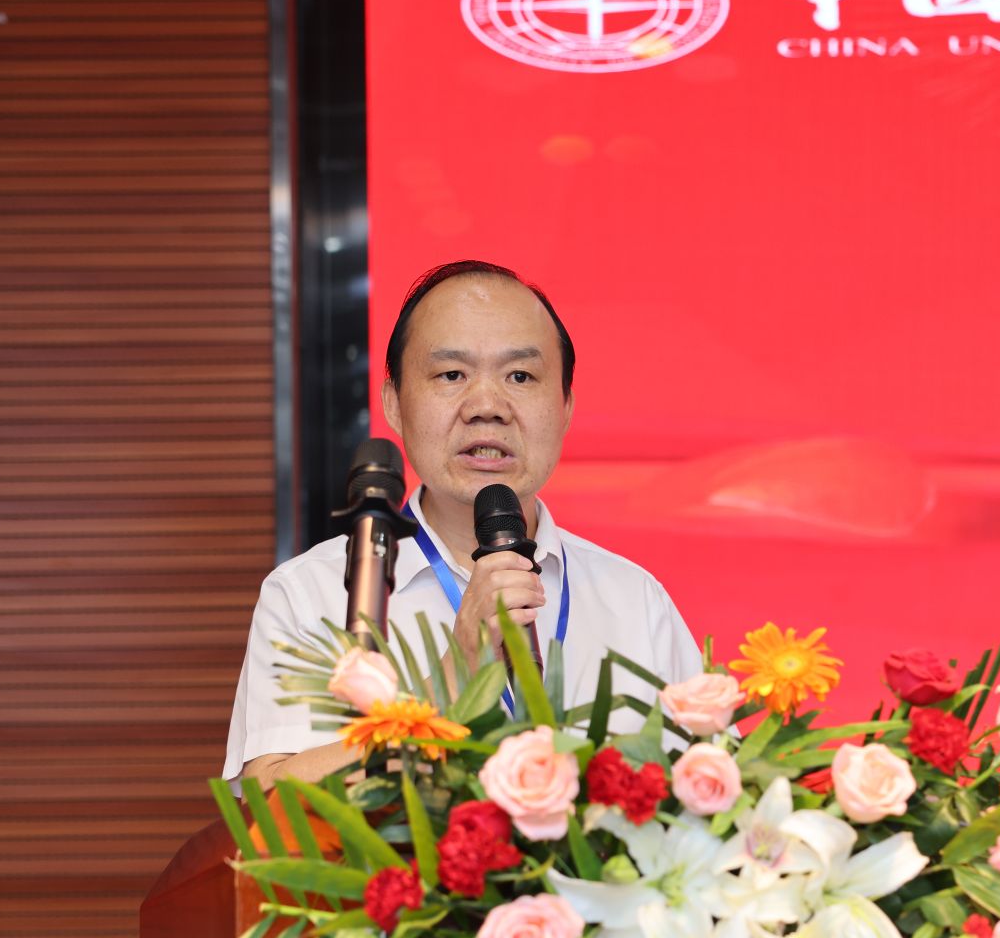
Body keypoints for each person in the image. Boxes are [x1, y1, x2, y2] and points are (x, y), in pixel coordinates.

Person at [224, 260, 703, 786]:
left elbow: (715, 794)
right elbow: (265, 803)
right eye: (452, 375)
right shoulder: (311, 594)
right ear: (393, 403)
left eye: (520, 376)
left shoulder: (634, 600)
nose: (487, 406)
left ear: (566, 405)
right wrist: (453, 681)